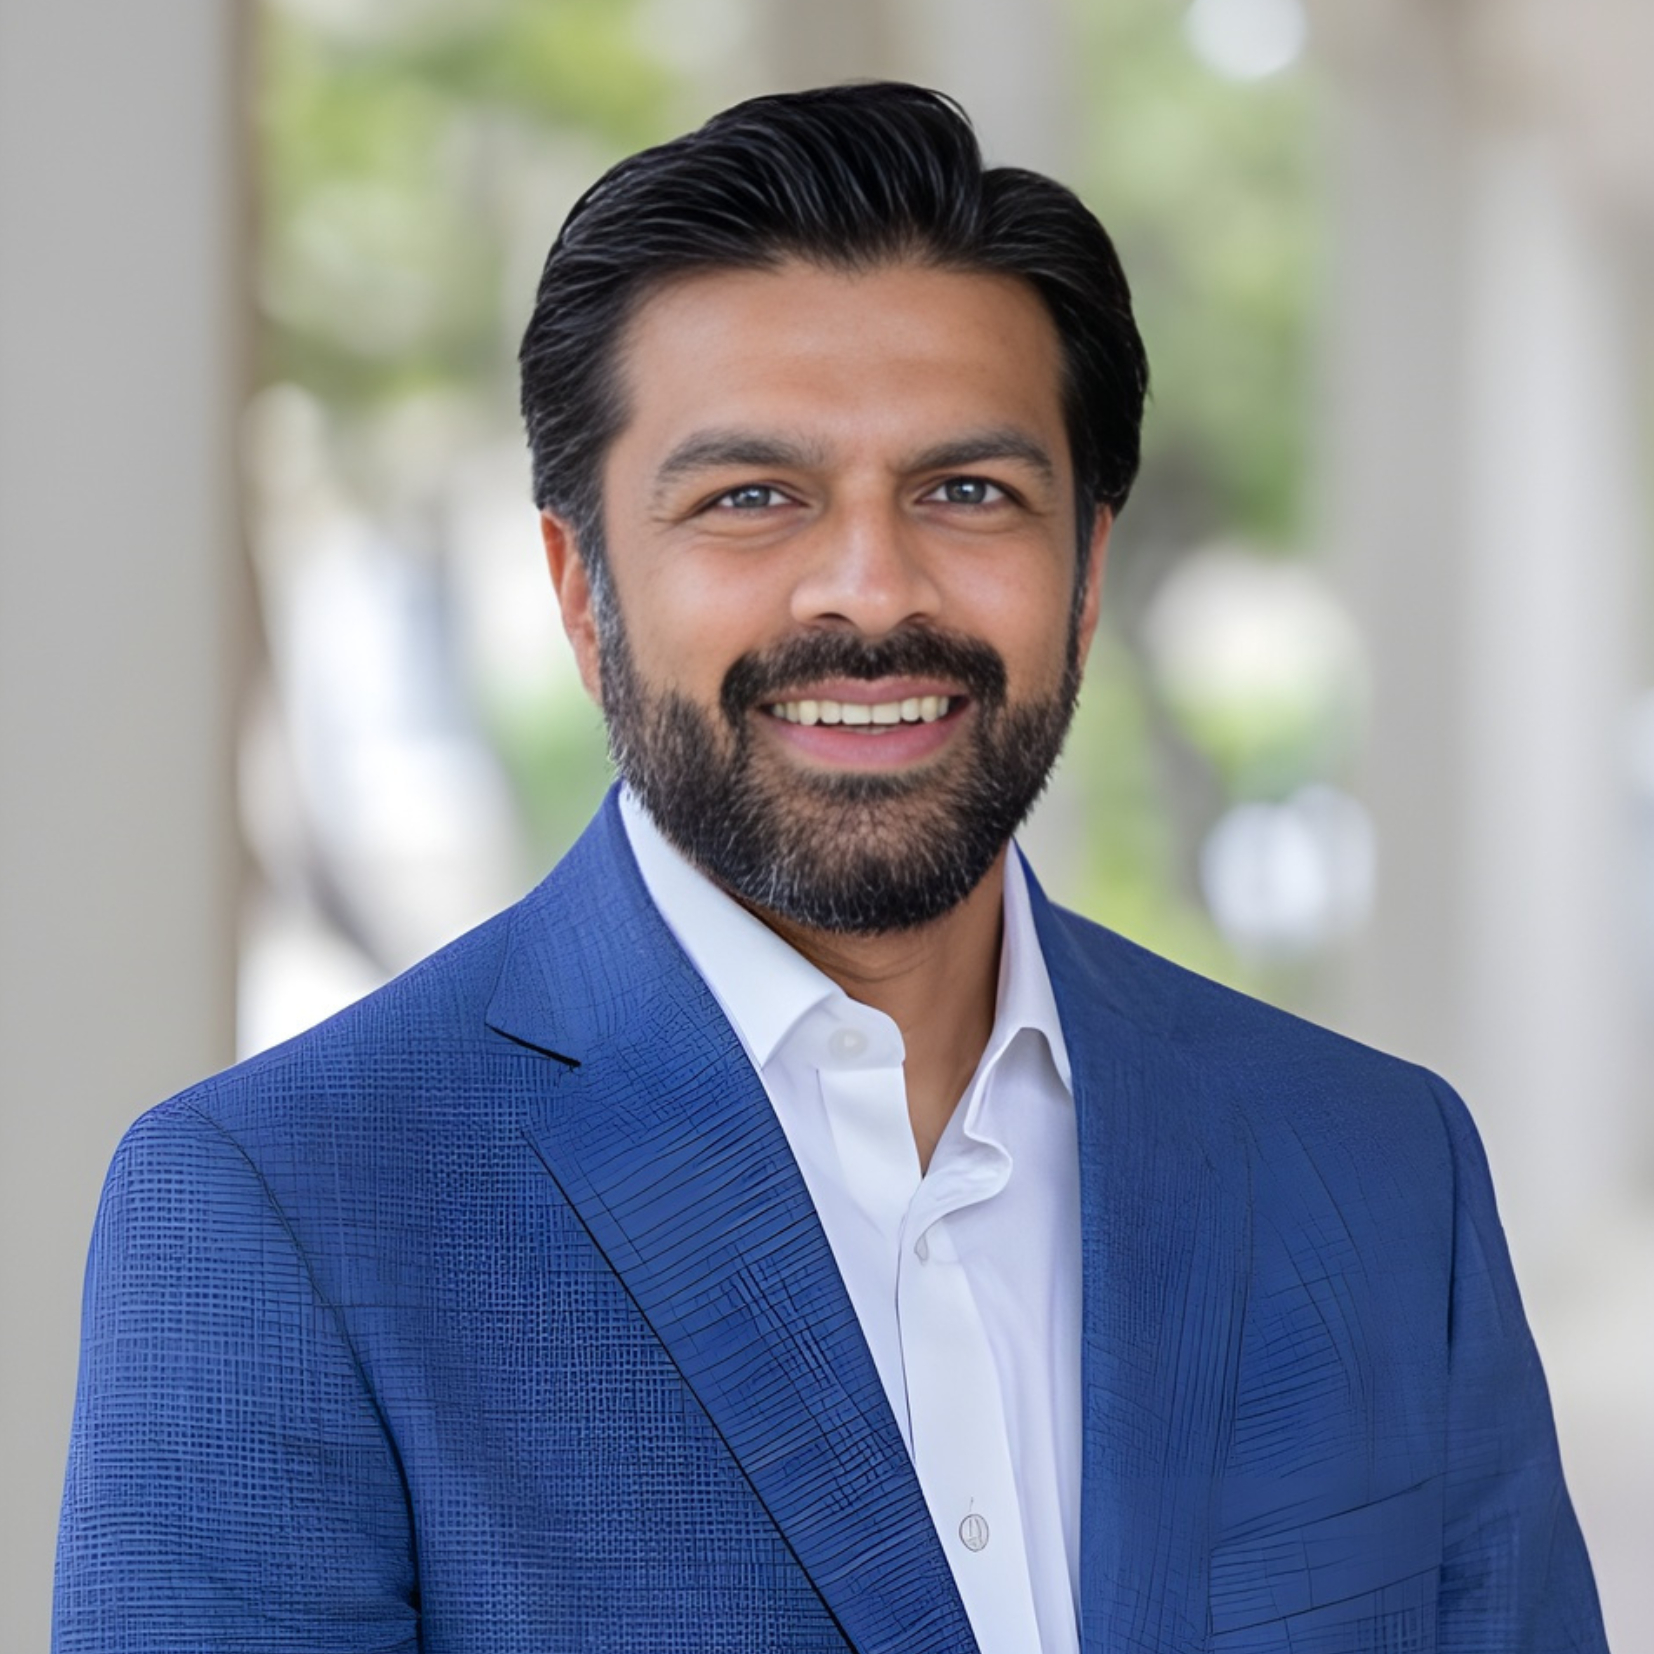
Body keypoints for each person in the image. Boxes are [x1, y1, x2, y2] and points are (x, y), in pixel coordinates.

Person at [54, 83, 1606, 1653]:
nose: (869, 590)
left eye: (966, 492)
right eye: (750, 499)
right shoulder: (281, 1215)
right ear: (580, 591)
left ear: (1084, 578)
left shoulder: (1380, 1169)